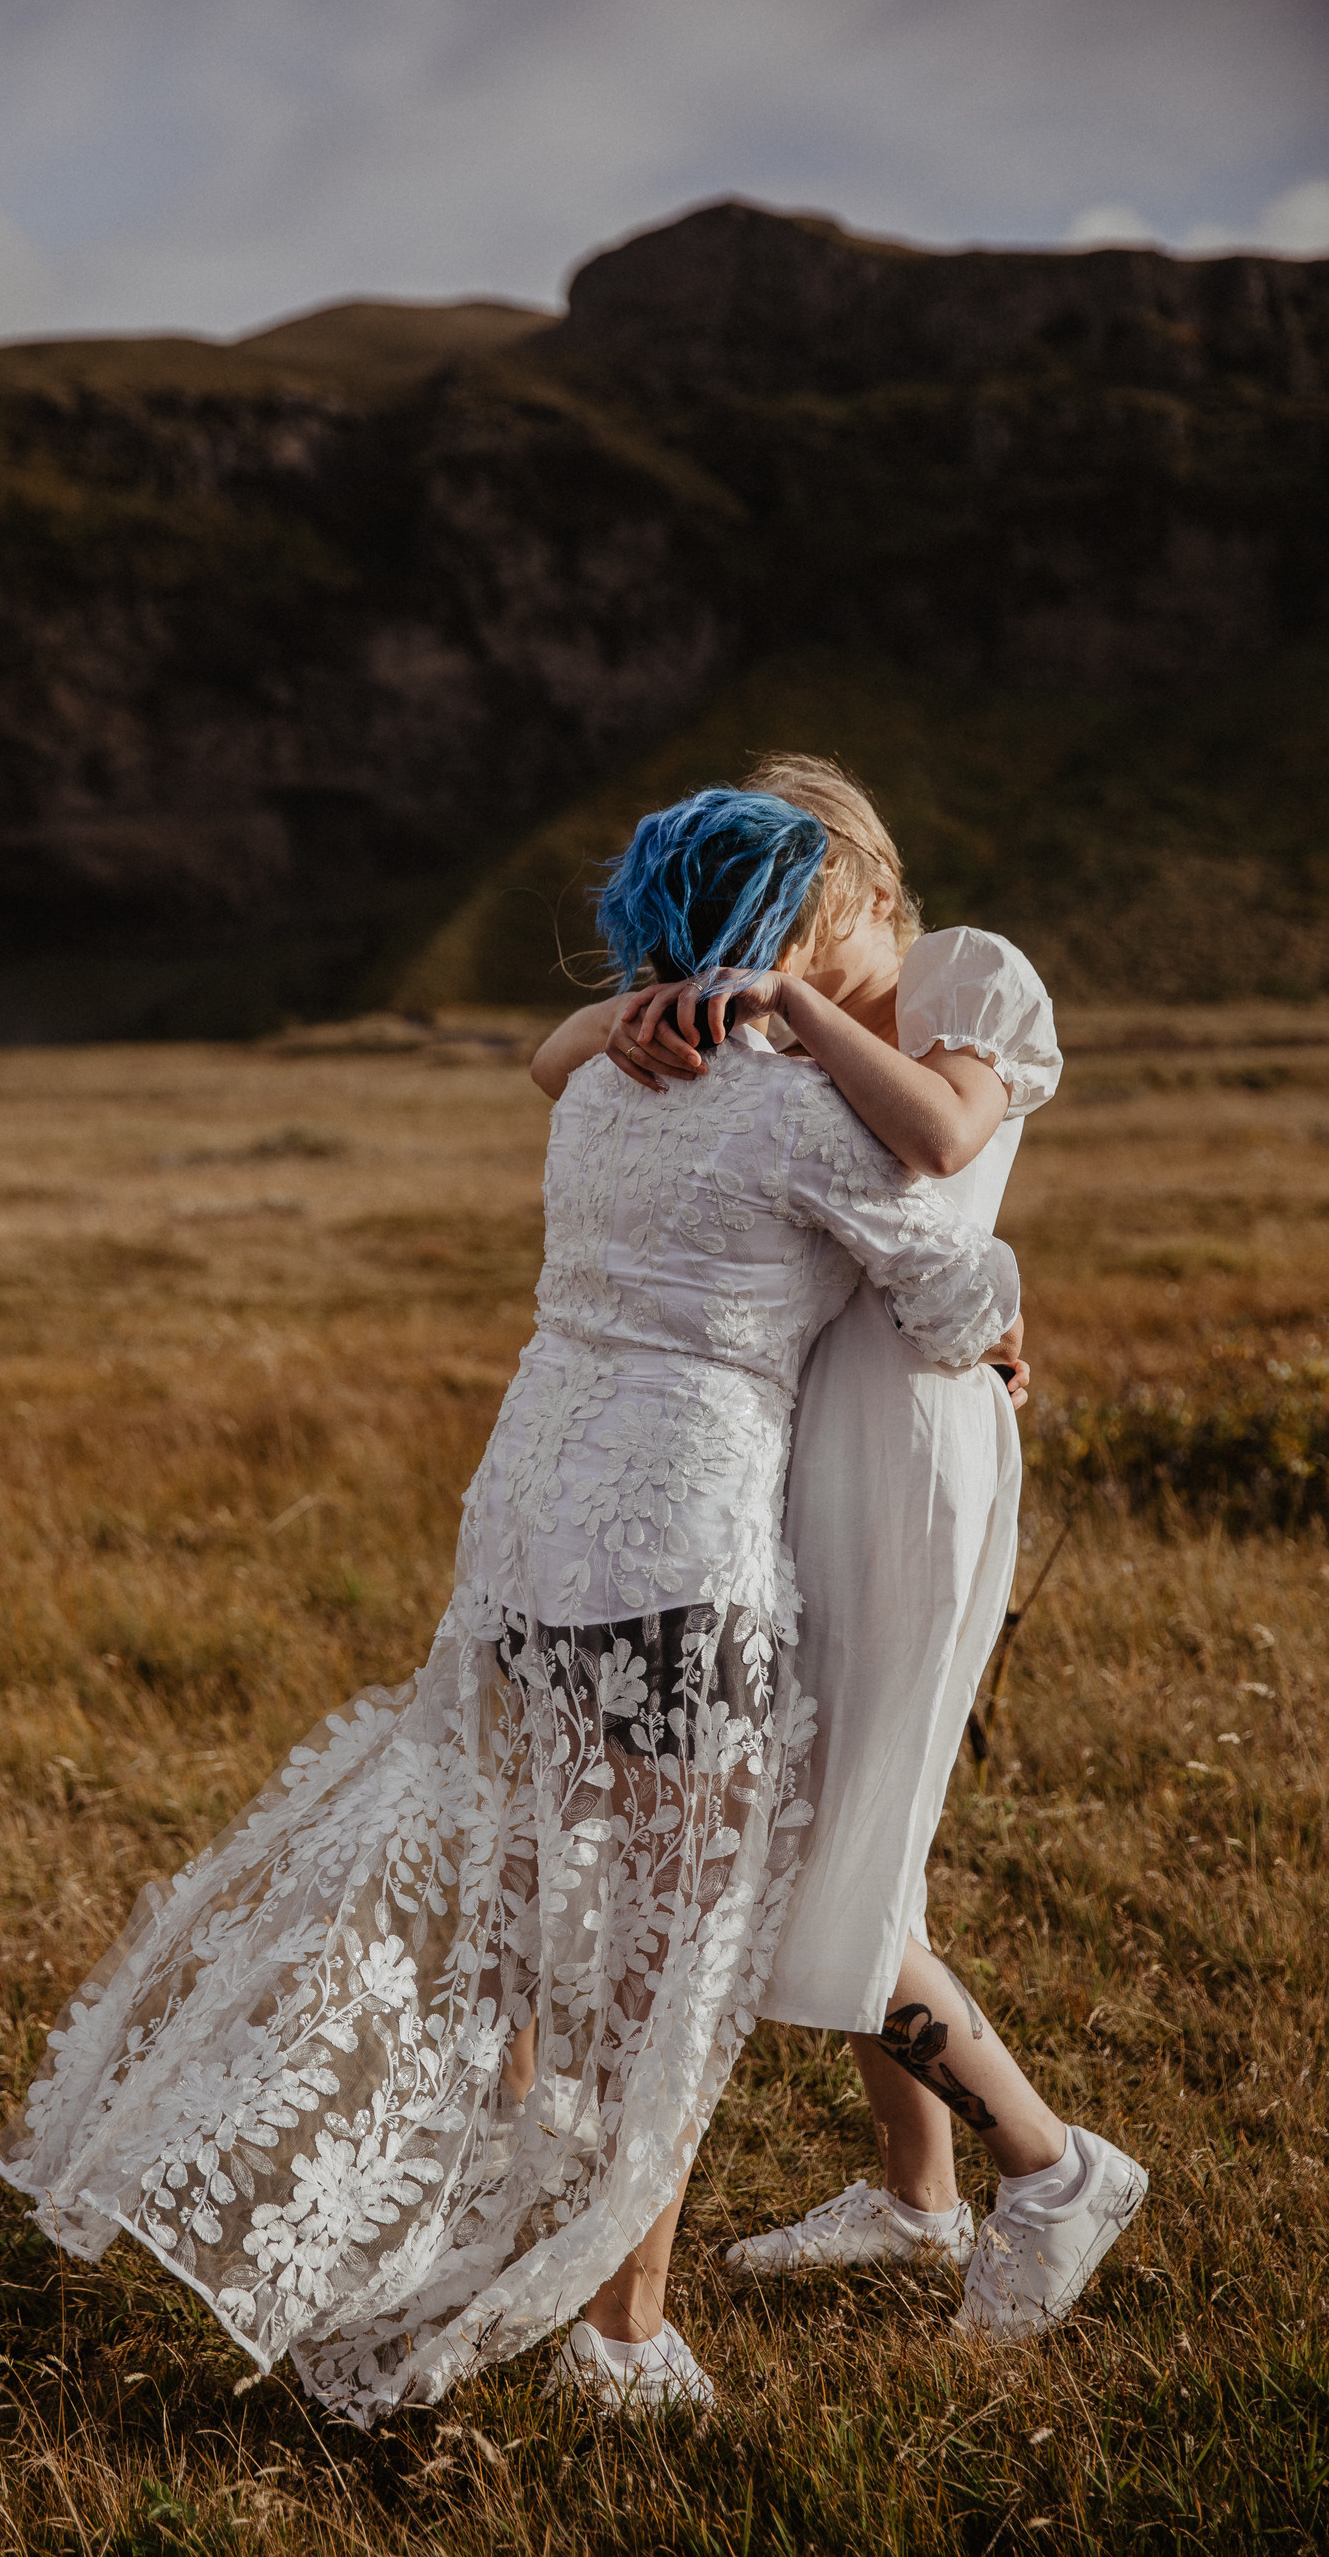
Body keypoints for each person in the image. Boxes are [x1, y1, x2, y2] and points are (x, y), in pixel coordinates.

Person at [0, 788, 1023, 2420]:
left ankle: (483, 2237)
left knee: (538, 1913)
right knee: (666, 1966)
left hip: (531, 1529)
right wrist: (1004, 1317)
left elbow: (562, 1065)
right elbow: (958, 1290)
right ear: (788, 933)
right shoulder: (804, 1116)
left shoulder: (605, 1085)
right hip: (681, 1555)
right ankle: (624, 2337)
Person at [535, 754, 1146, 2339]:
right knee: (829, 1822)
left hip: (909, 1424)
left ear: (868, 887)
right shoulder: (754, 1000)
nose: (779, 958)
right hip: (789, 1413)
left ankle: (1046, 2170)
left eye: (809, 922)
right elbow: (554, 1063)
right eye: (772, 934)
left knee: (828, 1837)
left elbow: (942, 1152)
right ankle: (918, 2193)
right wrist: (648, 1016)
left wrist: (791, 1017)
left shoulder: (970, 977)